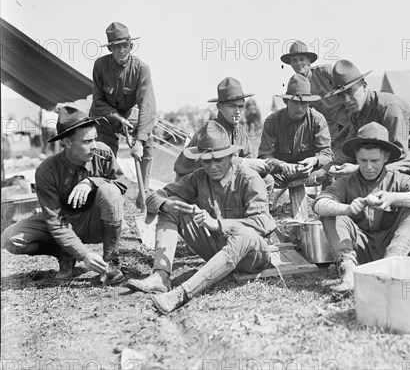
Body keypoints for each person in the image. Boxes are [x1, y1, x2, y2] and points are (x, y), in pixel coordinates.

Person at [126, 121, 276, 314]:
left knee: (245, 235)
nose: (212, 166)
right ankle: (161, 276)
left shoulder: (249, 178)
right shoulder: (198, 177)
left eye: (218, 160)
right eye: (206, 161)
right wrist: (166, 203)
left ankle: (180, 295)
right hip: (217, 250)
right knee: (170, 206)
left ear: (231, 156)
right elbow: (154, 196)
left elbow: (262, 223)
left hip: (252, 256)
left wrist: (217, 224)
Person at [1, 106, 127, 284]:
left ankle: (110, 262)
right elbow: (56, 221)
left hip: (94, 222)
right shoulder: (46, 171)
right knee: (10, 238)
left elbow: (121, 184)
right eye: (86, 141)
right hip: (64, 221)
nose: (93, 146)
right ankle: (65, 252)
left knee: (110, 190)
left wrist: (91, 182)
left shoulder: (102, 153)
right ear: (67, 142)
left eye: (95, 139)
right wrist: (83, 254)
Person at [313, 122, 410, 294]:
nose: (368, 167)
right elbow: (319, 205)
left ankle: (390, 265)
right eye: (363, 160)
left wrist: (395, 198)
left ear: (386, 157)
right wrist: (346, 209)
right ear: (356, 157)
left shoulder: (400, 180)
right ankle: (349, 273)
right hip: (362, 253)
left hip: (400, 252)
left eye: (375, 160)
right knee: (331, 213)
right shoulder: (346, 182)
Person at [315, 59, 410, 183]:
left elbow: (399, 151)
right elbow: (350, 152)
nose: (346, 100)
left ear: (364, 86)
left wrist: (358, 168)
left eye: (350, 92)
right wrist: (325, 170)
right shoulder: (355, 113)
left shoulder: (388, 106)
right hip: (387, 156)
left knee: (386, 168)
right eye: (341, 95)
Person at [89, 21, 156, 205]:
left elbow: (147, 106)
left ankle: (144, 196)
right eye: (116, 47)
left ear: (131, 46)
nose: (121, 51)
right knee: (102, 152)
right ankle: (106, 195)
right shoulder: (100, 66)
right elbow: (98, 100)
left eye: (124, 46)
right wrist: (116, 117)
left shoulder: (142, 69)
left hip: (128, 114)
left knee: (148, 141)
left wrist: (140, 141)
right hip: (103, 115)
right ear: (110, 48)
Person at [173, 77, 272, 182]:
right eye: (232, 106)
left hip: (219, 177)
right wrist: (245, 163)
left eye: (241, 106)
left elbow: (251, 158)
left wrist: (266, 165)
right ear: (219, 107)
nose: (237, 111)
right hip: (193, 180)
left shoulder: (240, 130)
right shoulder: (210, 129)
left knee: (267, 180)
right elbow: (211, 161)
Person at [259, 74, 333, 188]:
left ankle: (325, 203)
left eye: (303, 103)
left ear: (309, 103)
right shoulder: (272, 121)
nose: (299, 108)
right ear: (286, 101)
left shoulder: (317, 120)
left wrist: (314, 160)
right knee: (260, 179)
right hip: (281, 175)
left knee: (329, 173)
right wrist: (282, 165)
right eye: (295, 102)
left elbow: (327, 154)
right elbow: (264, 156)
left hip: (309, 175)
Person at [281, 40, 349, 146]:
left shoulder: (325, 71)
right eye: (294, 60)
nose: (298, 63)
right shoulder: (294, 84)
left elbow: (349, 87)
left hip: (349, 122)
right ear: (291, 64)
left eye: (301, 59)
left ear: (309, 61)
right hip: (330, 132)